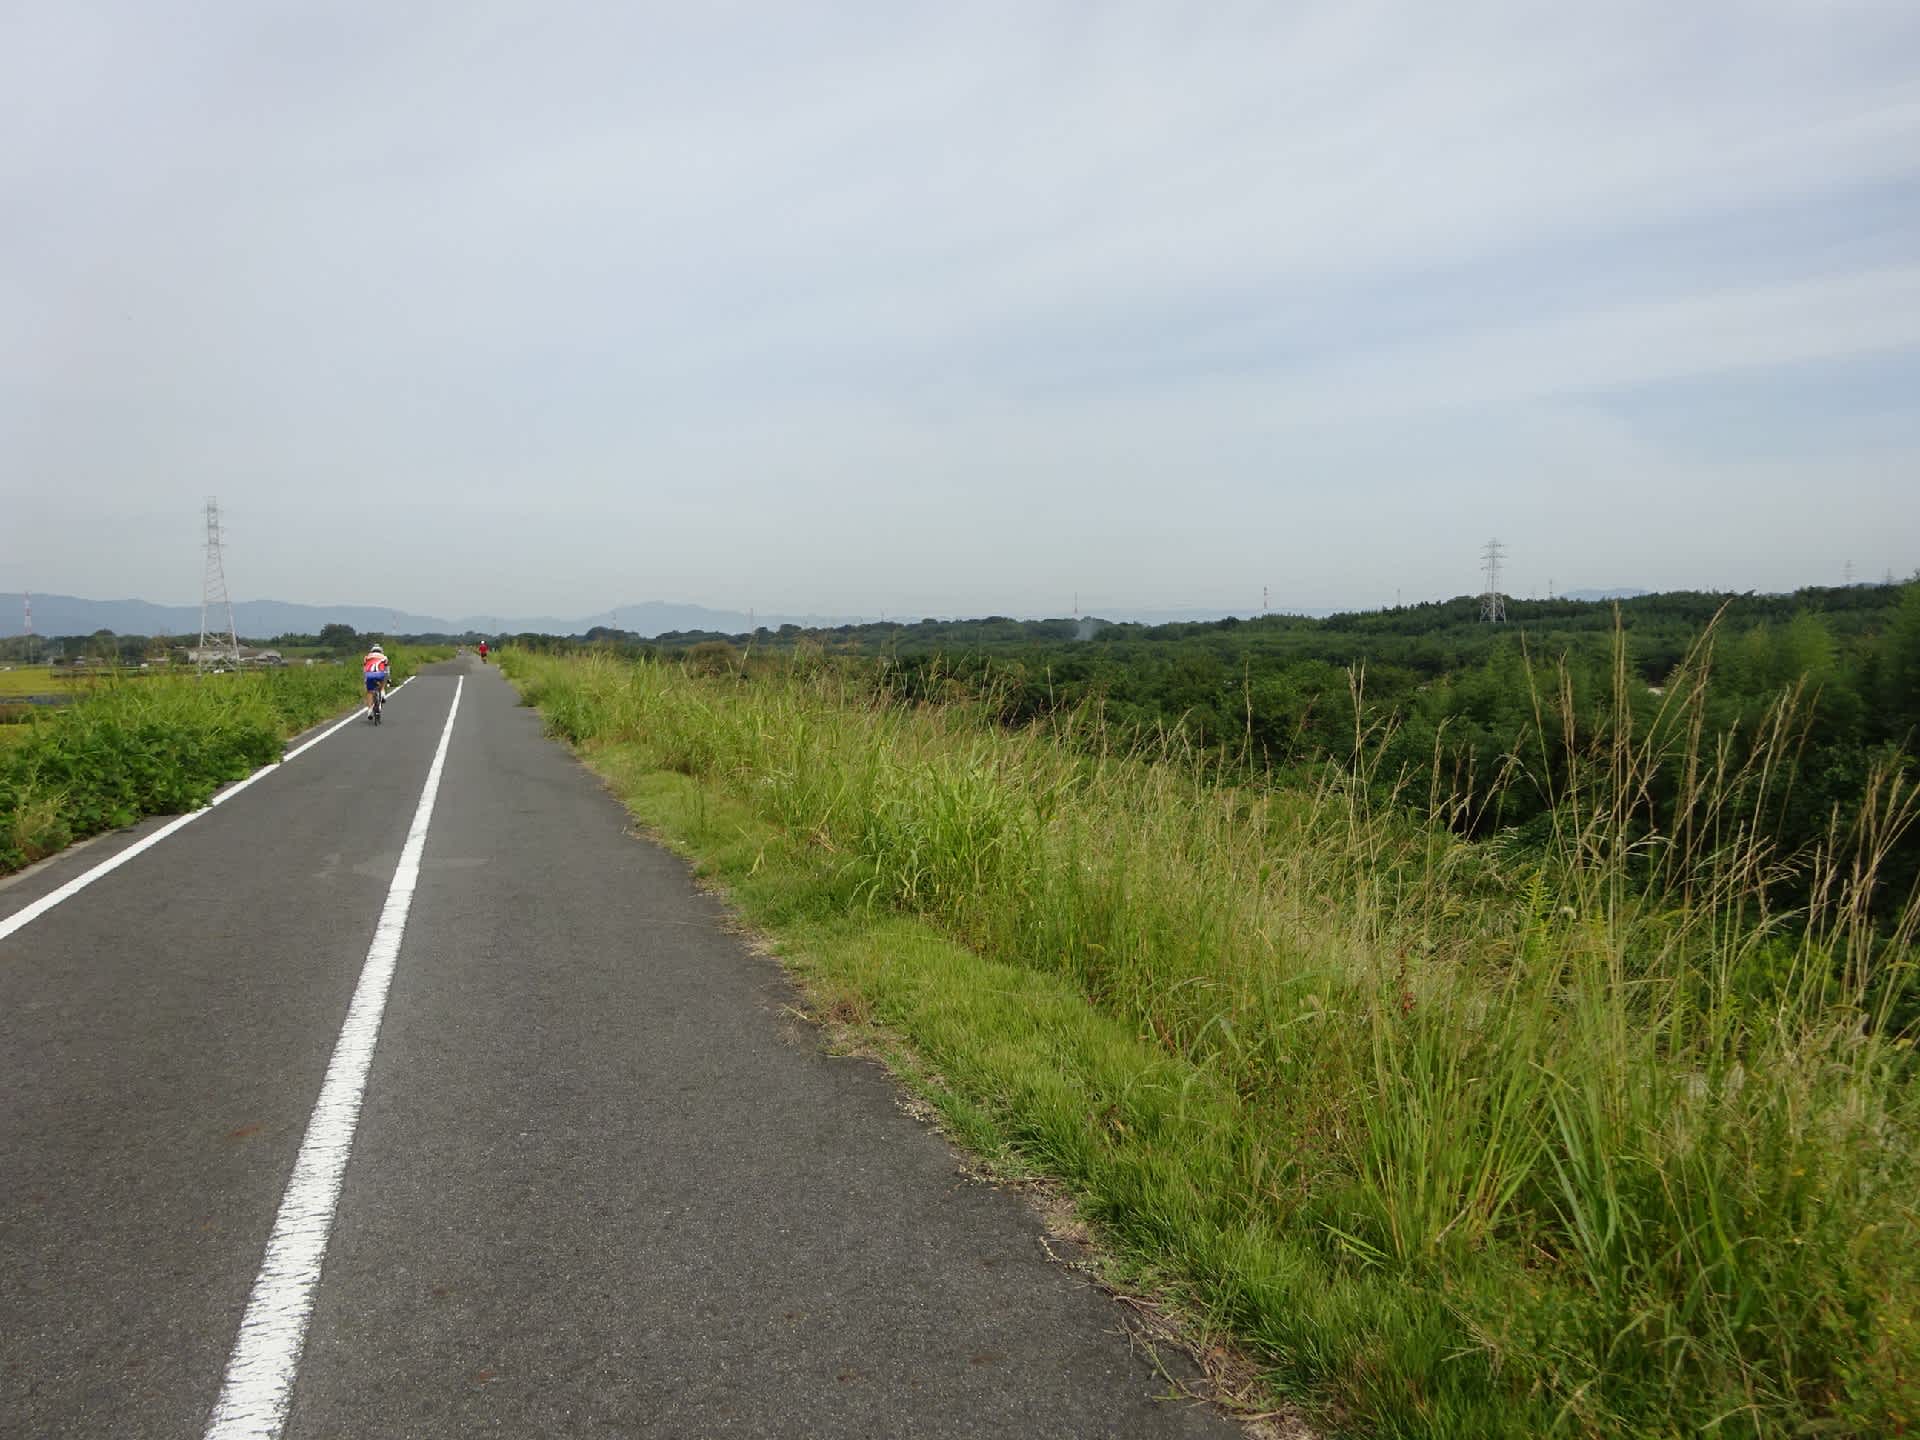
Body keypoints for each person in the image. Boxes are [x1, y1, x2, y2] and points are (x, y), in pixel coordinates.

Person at [362, 643, 391, 714]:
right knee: (384, 677)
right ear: (381, 651)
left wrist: (365, 679)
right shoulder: (384, 657)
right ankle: (382, 693)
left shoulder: (367, 657)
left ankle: (369, 711)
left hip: (369, 675)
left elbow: (364, 669)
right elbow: (387, 670)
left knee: (369, 692)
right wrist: (389, 680)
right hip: (380, 674)